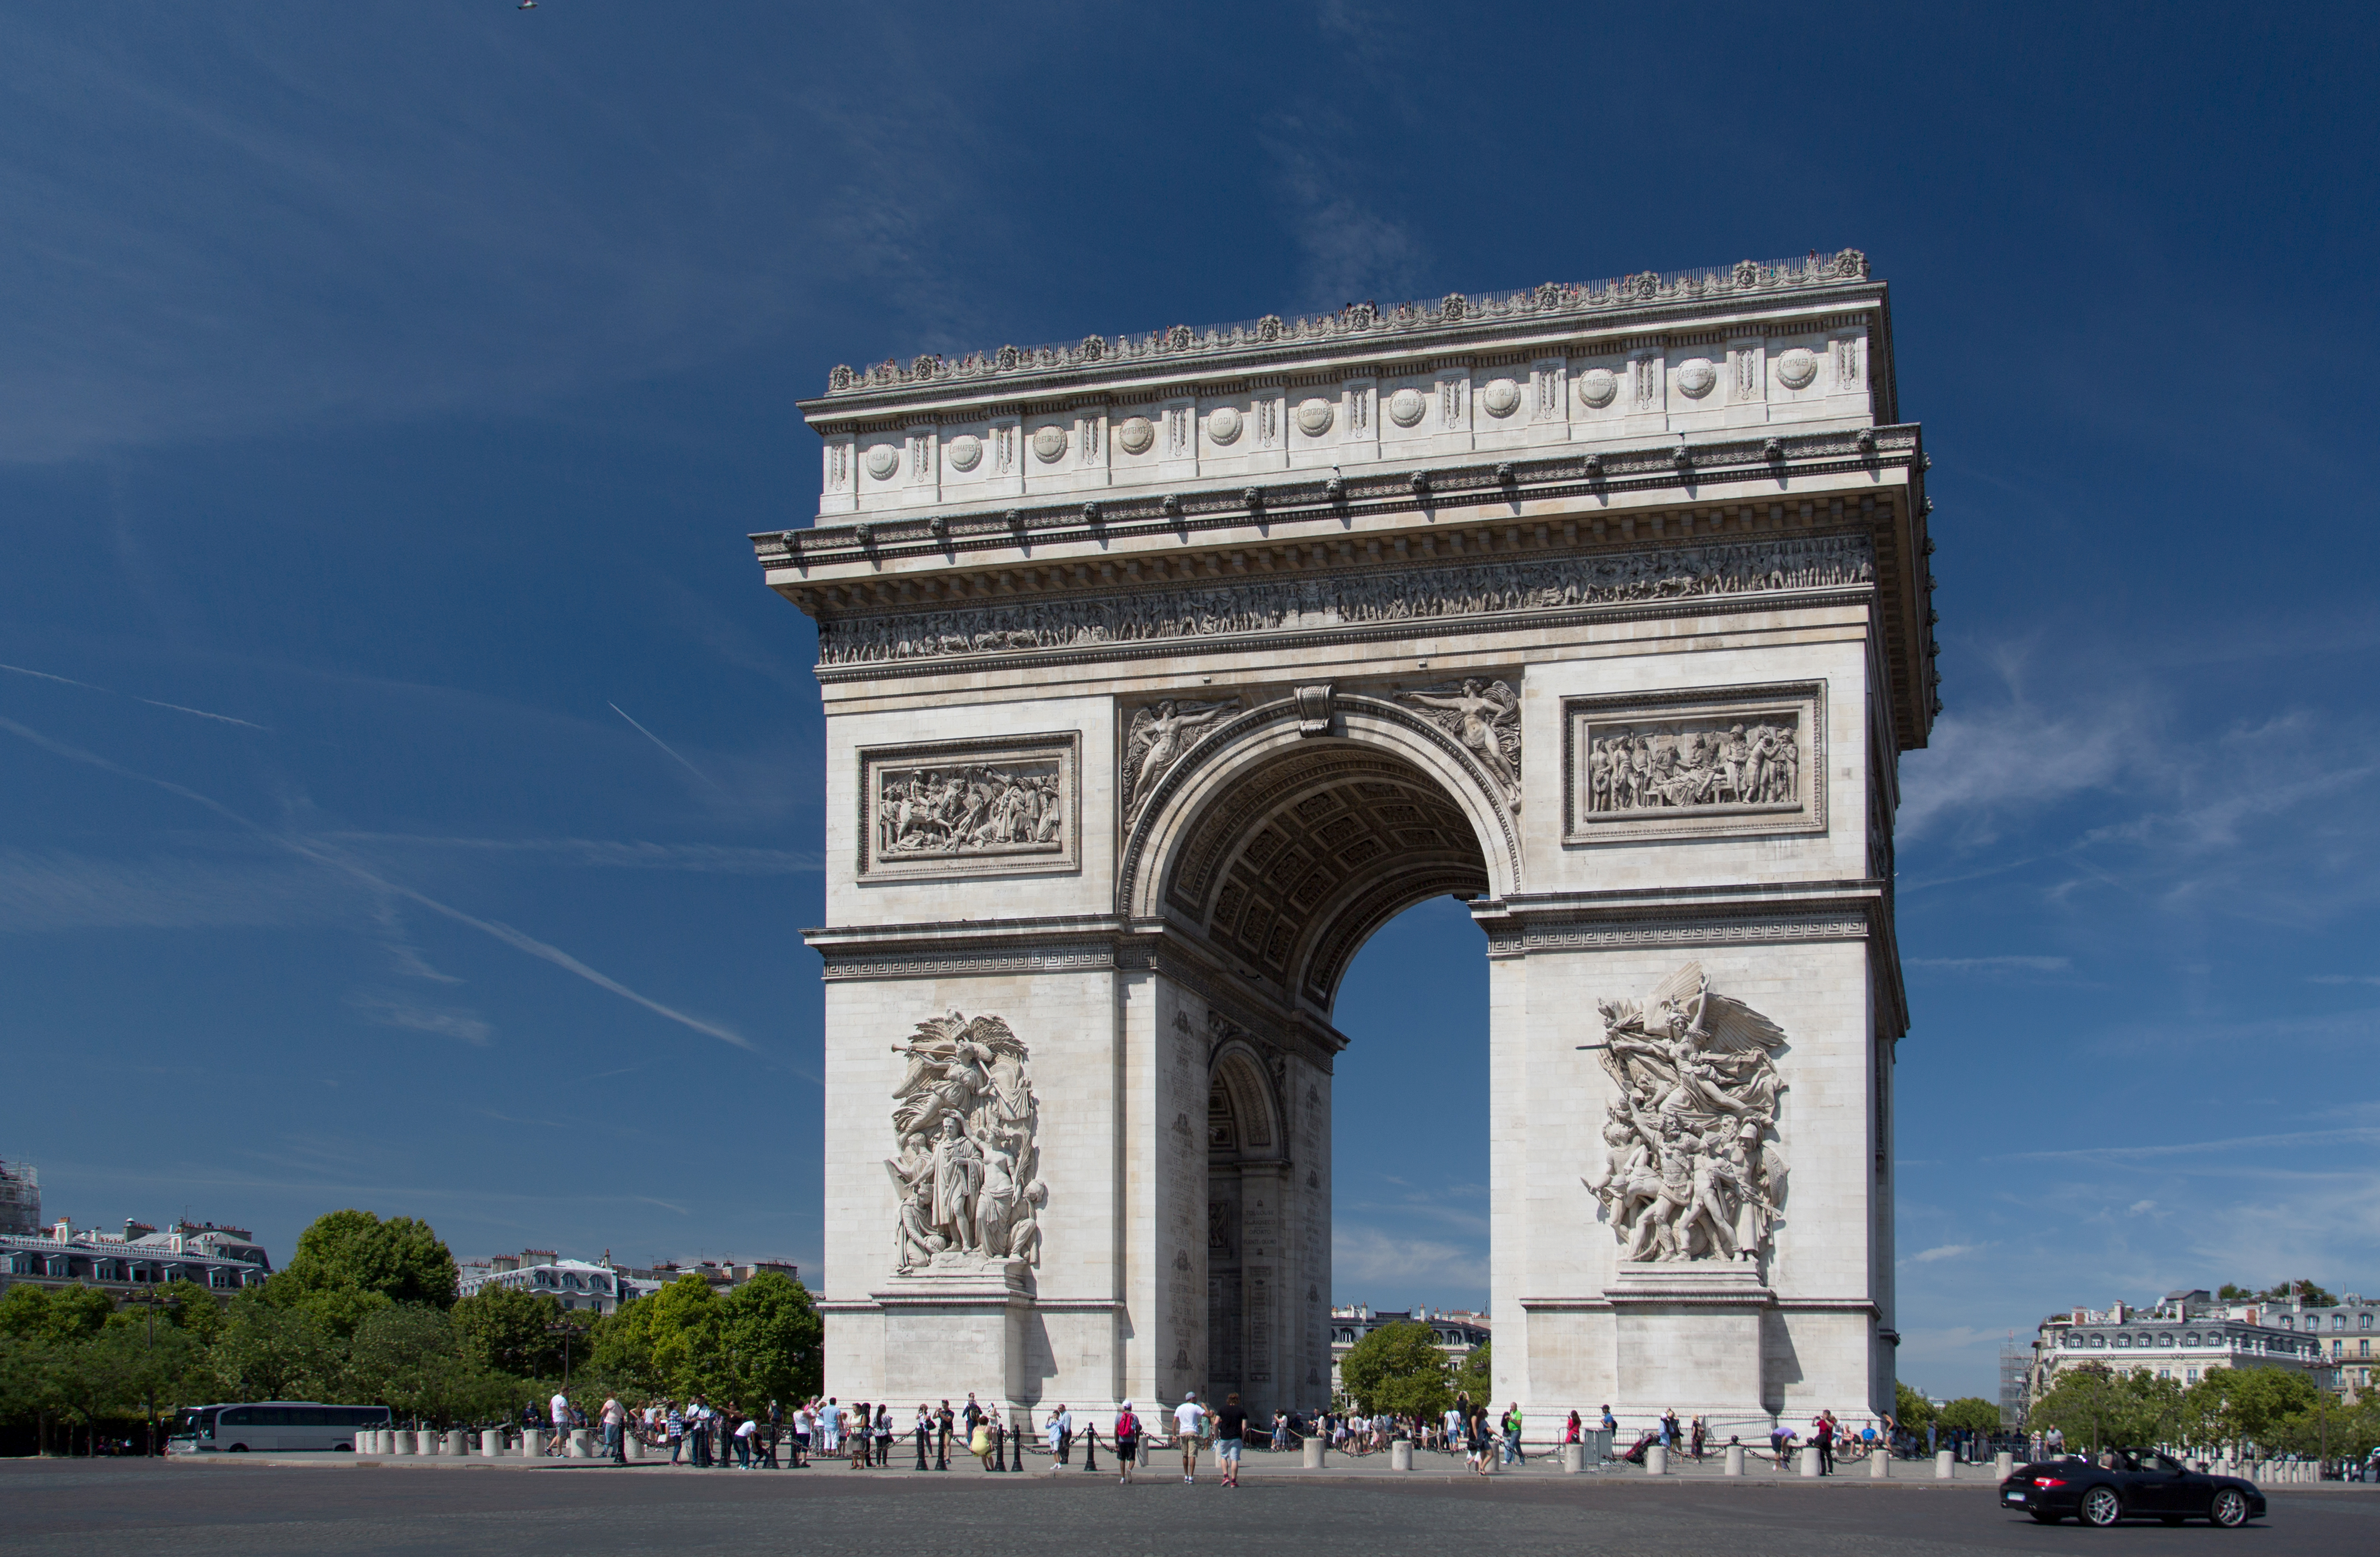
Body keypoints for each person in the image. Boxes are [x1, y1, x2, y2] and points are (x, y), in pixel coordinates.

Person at [1215, 1392, 1247, 1487]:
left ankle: (1226, 1477)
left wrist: (1216, 1435)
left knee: (1224, 1456)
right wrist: (1243, 1439)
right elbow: (1244, 1428)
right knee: (1234, 1459)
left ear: (1228, 1400)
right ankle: (1233, 1481)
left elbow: (1216, 1423)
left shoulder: (1222, 1409)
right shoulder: (1242, 1411)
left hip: (1225, 1437)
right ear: (1237, 1401)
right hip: (1236, 1437)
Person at [1174, 1392, 1207, 1484]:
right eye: (1195, 1398)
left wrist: (1174, 1435)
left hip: (1183, 1433)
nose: (1196, 1400)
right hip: (1193, 1432)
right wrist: (1205, 1407)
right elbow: (1208, 1415)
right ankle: (1191, 1477)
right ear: (1192, 1399)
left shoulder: (1180, 1408)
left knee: (1185, 1455)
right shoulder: (1195, 1407)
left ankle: (1186, 1476)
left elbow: (1174, 1421)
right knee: (1192, 1456)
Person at [1115, 1400, 1141, 1484]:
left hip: (1121, 1441)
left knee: (1122, 1459)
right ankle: (1129, 1470)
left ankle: (1122, 1478)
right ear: (1131, 1407)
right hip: (1131, 1441)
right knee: (1132, 1459)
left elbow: (1116, 1431)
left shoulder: (1119, 1417)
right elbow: (1137, 1431)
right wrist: (1137, 1442)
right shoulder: (1135, 1417)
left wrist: (1116, 1442)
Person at [601, 1394, 625, 1464]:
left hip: (610, 1421)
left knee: (607, 1437)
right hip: (617, 1422)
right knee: (615, 1439)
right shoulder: (619, 1404)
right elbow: (624, 1413)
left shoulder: (610, 1402)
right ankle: (614, 1452)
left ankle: (604, 1453)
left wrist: (606, 1414)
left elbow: (602, 1412)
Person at [914, 1405, 933, 1470]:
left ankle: (931, 1453)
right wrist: (919, 1412)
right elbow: (916, 1418)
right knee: (918, 1441)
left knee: (927, 1441)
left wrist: (924, 1413)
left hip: (925, 1429)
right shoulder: (920, 1414)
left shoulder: (928, 1413)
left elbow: (926, 1419)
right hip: (919, 1428)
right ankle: (918, 1451)